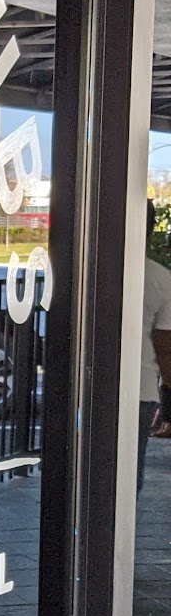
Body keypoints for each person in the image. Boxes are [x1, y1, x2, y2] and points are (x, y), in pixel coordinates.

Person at [138, 200, 171, 493]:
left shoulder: (94, 271)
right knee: (130, 466)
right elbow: (164, 347)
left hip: (89, 385)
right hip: (142, 388)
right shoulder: (161, 278)